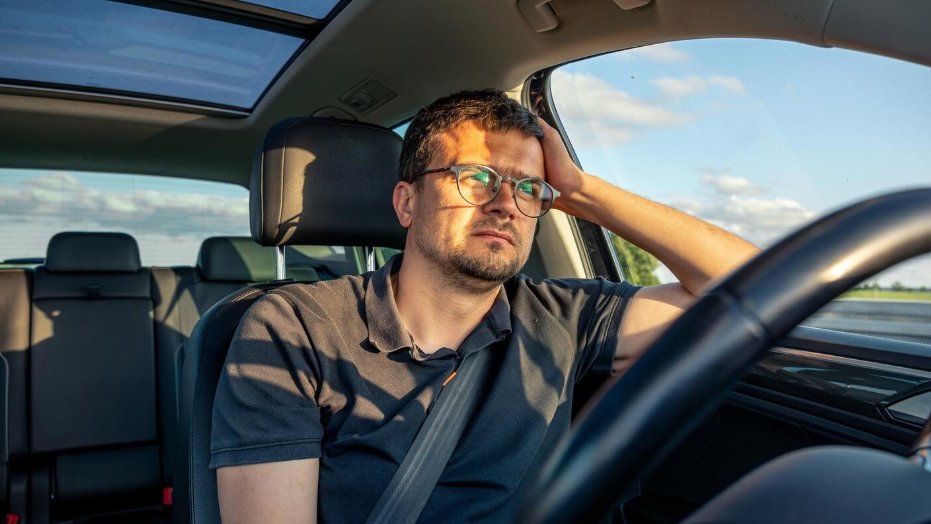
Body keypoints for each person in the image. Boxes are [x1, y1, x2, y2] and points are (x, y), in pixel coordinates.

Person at [210, 90, 759, 523]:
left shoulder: (566, 316)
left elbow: (755, 287)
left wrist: (581, 192)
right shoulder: (295, 326)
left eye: (530, 189)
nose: (505, 205)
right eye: (475, 178)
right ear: (407, 202)